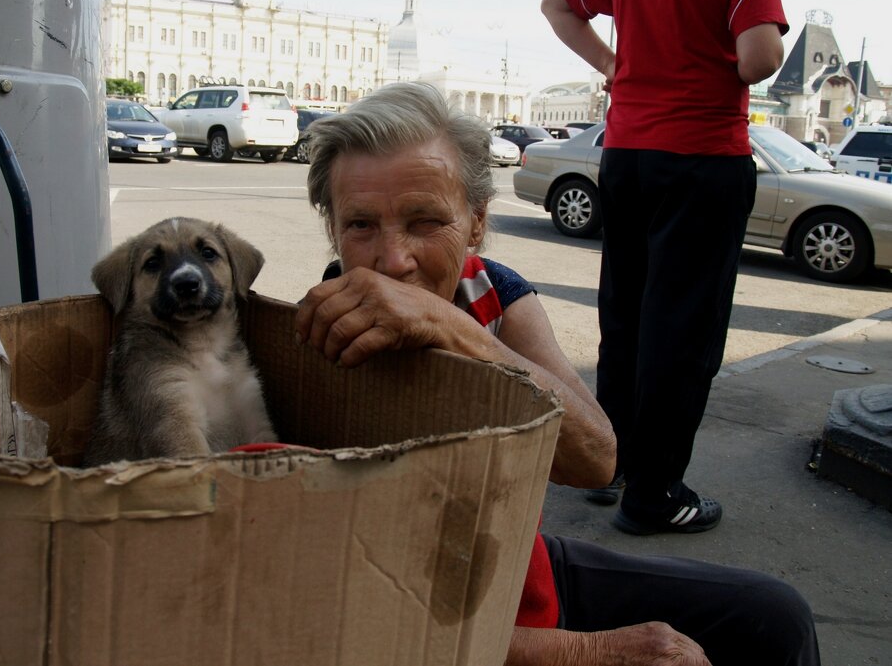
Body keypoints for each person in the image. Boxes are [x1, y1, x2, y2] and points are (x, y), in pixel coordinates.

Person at [295, 81, 819, 665]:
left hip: (522, 564)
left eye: (424, 222)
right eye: (361, 225)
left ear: (475, 223)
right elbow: (361, 611)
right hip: (434, 616)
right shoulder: (317, 342)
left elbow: (594, 459)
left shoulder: (494, 296)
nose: (393, 260)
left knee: (775, 616)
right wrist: (584, 652)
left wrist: (455, 330)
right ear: (333, 230)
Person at [541, 0, 789, 534]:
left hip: (626, 155)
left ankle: (609, 464)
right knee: (682, 330)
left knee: (626, 317)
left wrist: (611, 65)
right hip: (702, 158)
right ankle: (655, 493)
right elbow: (758, 59)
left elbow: (558, 5)